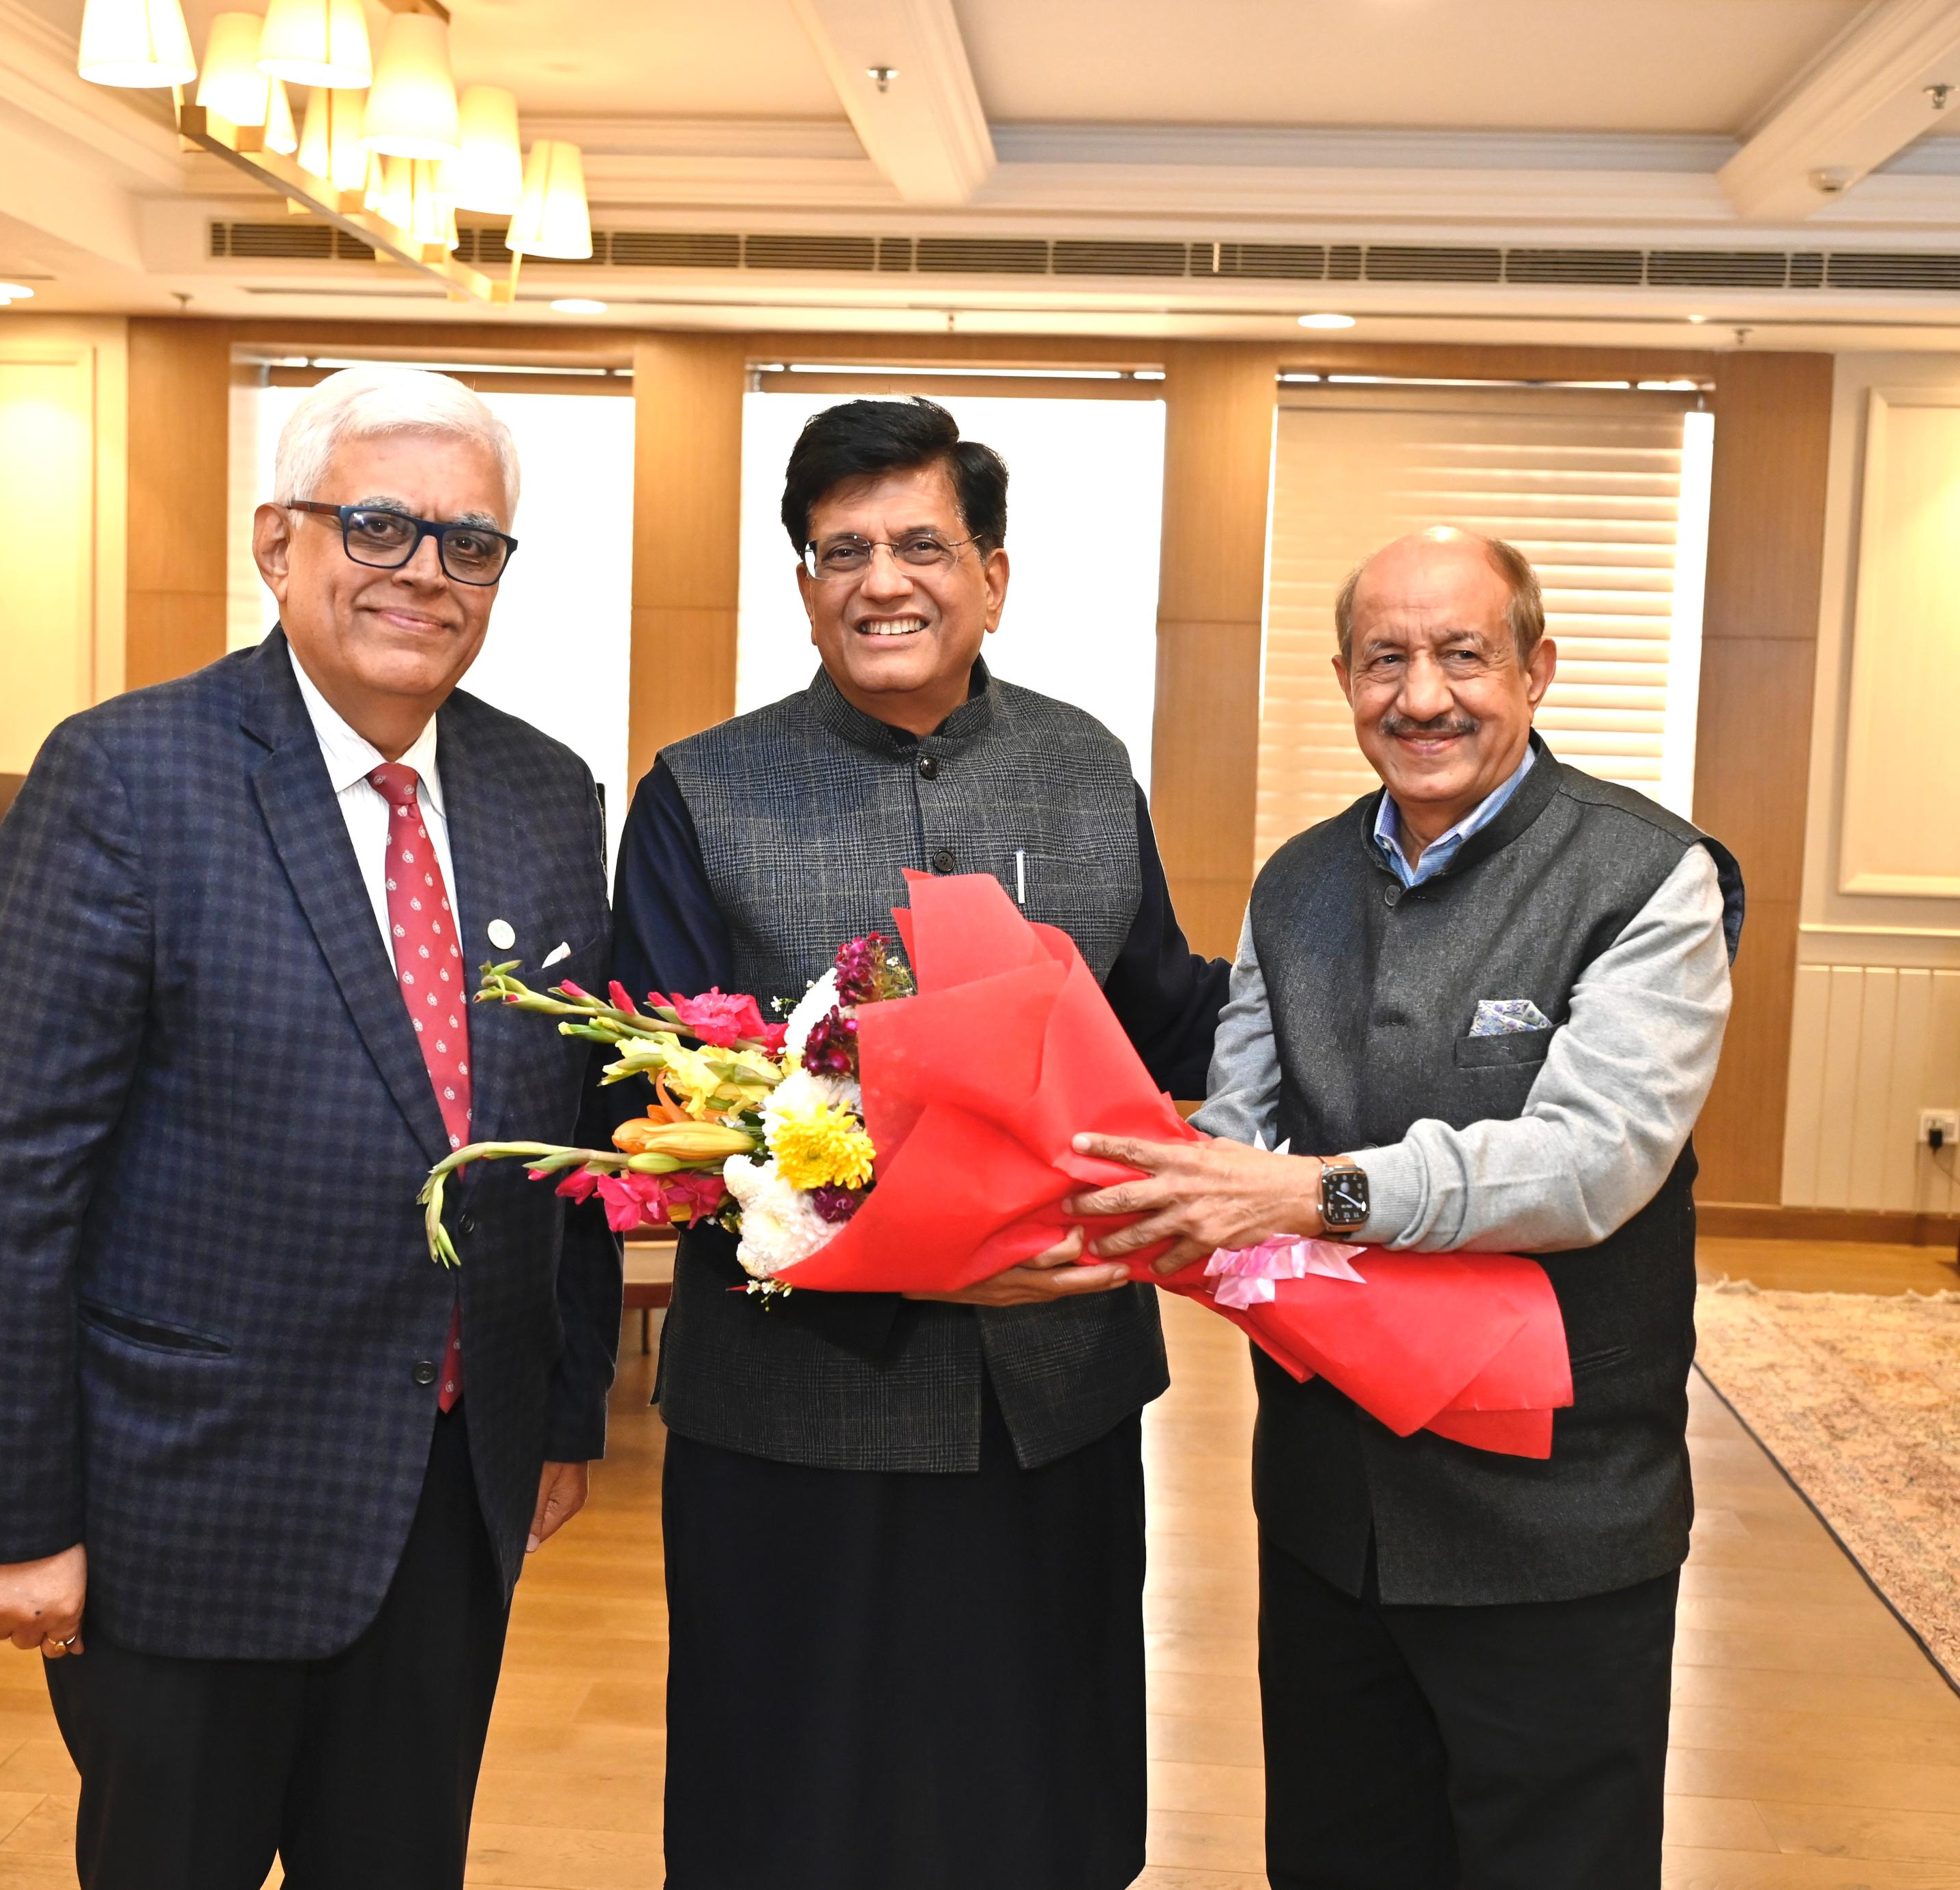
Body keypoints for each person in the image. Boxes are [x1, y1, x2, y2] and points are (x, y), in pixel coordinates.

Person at [0, 366, 621, 1890]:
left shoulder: (545, 788)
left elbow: (558, 1137)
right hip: (192, 1489)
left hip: (457, 1478)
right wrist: (11, 1511)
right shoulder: (125, 775)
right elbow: (5, 1176)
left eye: (470, 542)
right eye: (376, 524)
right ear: (276, 542)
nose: (424, 572)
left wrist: (566, 1412)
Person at [612, 396, 1229, 1890]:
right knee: (788, 1791)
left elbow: (1162, 1020)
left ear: (992, 575)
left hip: (1053, 1393)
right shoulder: (704, 789)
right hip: (792, 1403)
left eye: (919, 544)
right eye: (841, 551)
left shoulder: (1084, 765)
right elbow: (659, 1111)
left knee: (1036, 1788)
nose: (880, 580)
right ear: (805, 582)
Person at [1070, 527, 1741, 1890]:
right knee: (1336, 1855)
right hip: (1334, 1510)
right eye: (1385, 659)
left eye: (1461, 655)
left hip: (1555, 1519)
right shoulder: (1296, 883)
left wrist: (1315, 1194)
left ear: (1537, 668)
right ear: (1343, 678)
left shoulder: (1650, 875)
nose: (1420, 695)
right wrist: (1088, 1198)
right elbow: (1234, 1136)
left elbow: (1591, 1159)